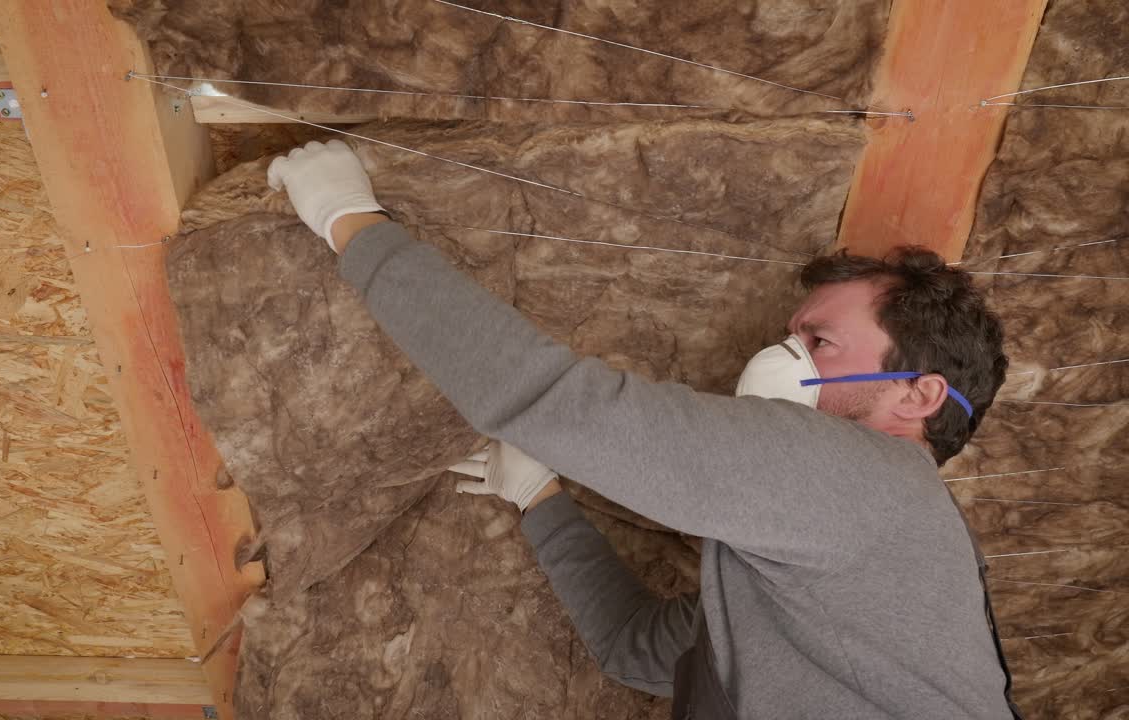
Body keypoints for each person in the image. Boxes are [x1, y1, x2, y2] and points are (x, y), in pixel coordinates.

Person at [266, 139, 1021, 719]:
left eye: (818, 342)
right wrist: (539, 497)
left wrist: (351, 224)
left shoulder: (871, 482)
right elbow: (640, 652)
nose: (781, 356)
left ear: (919, 396)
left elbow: (560, 402)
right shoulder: (808, 574)